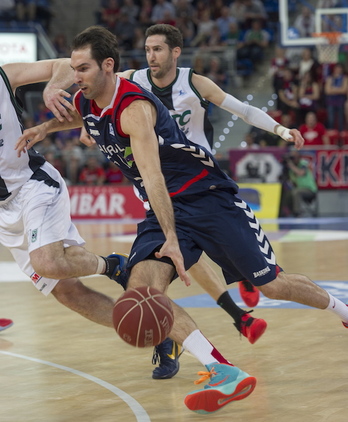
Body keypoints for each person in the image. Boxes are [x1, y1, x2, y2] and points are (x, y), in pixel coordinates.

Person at [16, 25, 348, 414]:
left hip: (206, 198)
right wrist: (43, 127)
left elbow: (153, 175)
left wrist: (171, 238)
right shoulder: (89, 99)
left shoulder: (135, 109)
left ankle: (342, 311)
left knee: (273, 285)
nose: (76, 78)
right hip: (161, 209)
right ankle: (222, 370)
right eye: (73, 69)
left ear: (108, 67)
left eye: (83, 69)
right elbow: (81, 120)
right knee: (142, 292)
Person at [0, 58, 126, 336]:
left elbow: (69, 63)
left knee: (47, 262)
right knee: (68, 292)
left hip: (32, 186)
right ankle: (146, 331)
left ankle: (113, 266)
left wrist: (52, 87)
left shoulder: (5, 75)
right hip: (4, 213)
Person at [280, 149, 318, 217]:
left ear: (299, 157)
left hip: (310, 190)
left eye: (294, 158)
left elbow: (301, 173)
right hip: (299, 189)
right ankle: (284, 212)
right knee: (287, 193)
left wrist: (291, 165)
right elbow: (292, 181)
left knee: (296, 192)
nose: (293, 160)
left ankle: (297, 213)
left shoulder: (303, 164)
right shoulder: (291, 171)